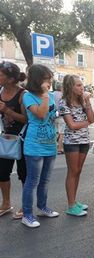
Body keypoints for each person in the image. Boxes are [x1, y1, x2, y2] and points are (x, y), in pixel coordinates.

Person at [21, 64, 59, 228]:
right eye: (46, 78)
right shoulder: (28, 96)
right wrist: (44, 95)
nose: (50, 82)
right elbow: (42, 114)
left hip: (50, 144)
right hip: (35, 145)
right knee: (32, 181)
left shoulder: (49, 96)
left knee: (45, 180)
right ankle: (27, 215)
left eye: (50, 78)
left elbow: (53, 115)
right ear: (38, 80)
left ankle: (42, 207)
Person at [59, 75, 94, 216]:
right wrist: (85, 123)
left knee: (78, 171)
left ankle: (74, 201)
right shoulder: (64, 103)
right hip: (72, 142)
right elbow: (72, 125)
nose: (82, 88)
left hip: (84, 140)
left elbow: (92, 119)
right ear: (70, 87)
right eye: (78, 85)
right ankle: (71, 205)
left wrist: (87, 101)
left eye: (82, 85)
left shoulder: (82, 101)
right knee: (72, 172)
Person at [0, 62, 26, 218]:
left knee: (23, 173)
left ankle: (25, 204)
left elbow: (27, 119)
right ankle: (6, 203)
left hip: (21, 138)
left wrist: (6, 110)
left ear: (10, 79)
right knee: (2, 172)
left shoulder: (23, 94)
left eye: (0, 74)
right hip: (4, 137)